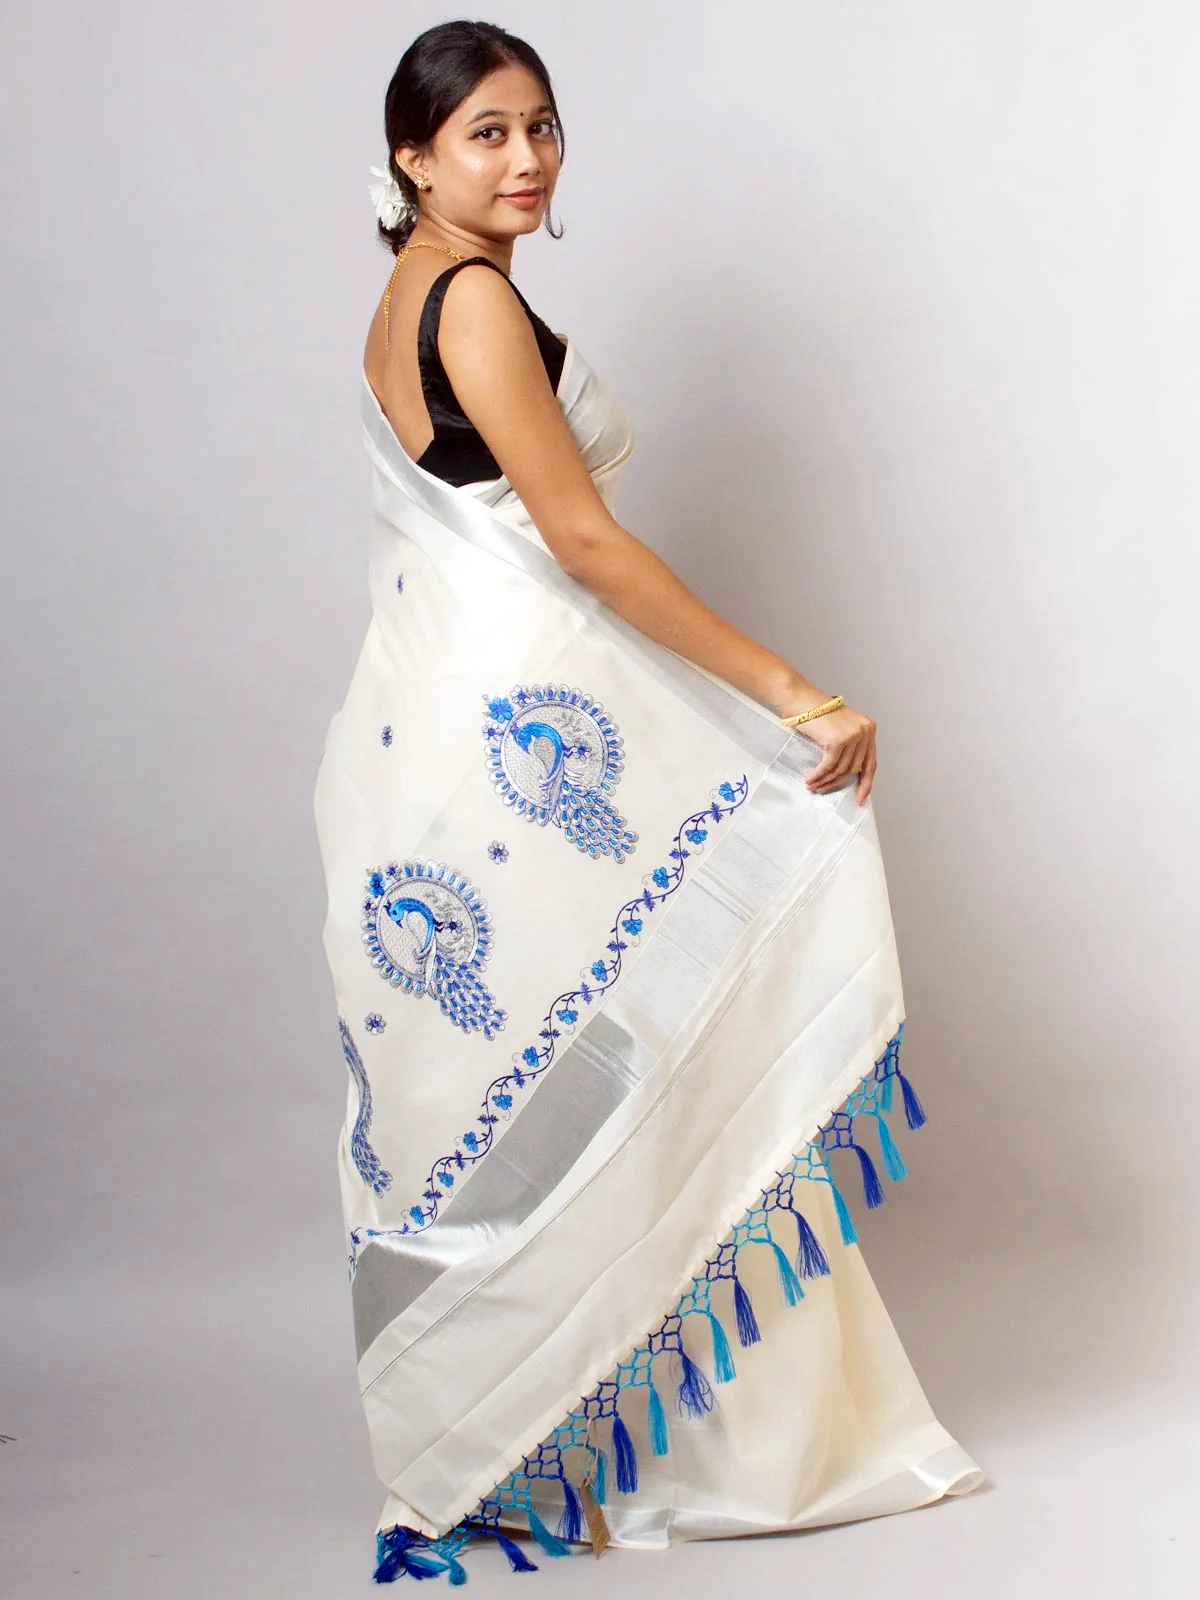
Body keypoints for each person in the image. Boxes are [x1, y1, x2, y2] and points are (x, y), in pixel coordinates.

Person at [314, 18, 984, 1586]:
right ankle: (616, 1447)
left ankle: (548, 1445)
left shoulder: (406, 294)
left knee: (552, 1085)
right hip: (511, 749)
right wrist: (791, 690)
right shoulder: (471, 298)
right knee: (619, 1064)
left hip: (428, 742)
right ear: (413, 158)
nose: (527, 158)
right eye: (486, 133)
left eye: (541, 125)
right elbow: (584, 543)